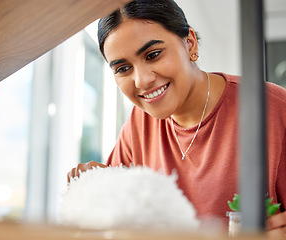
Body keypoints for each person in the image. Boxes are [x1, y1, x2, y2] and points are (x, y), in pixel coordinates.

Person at [67, 0, 286, 236]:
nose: (141, 80)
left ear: (190, 43)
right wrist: (94, 182)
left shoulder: (272, 108)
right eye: (123, 69)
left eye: (153, 55)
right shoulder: (139, 123)